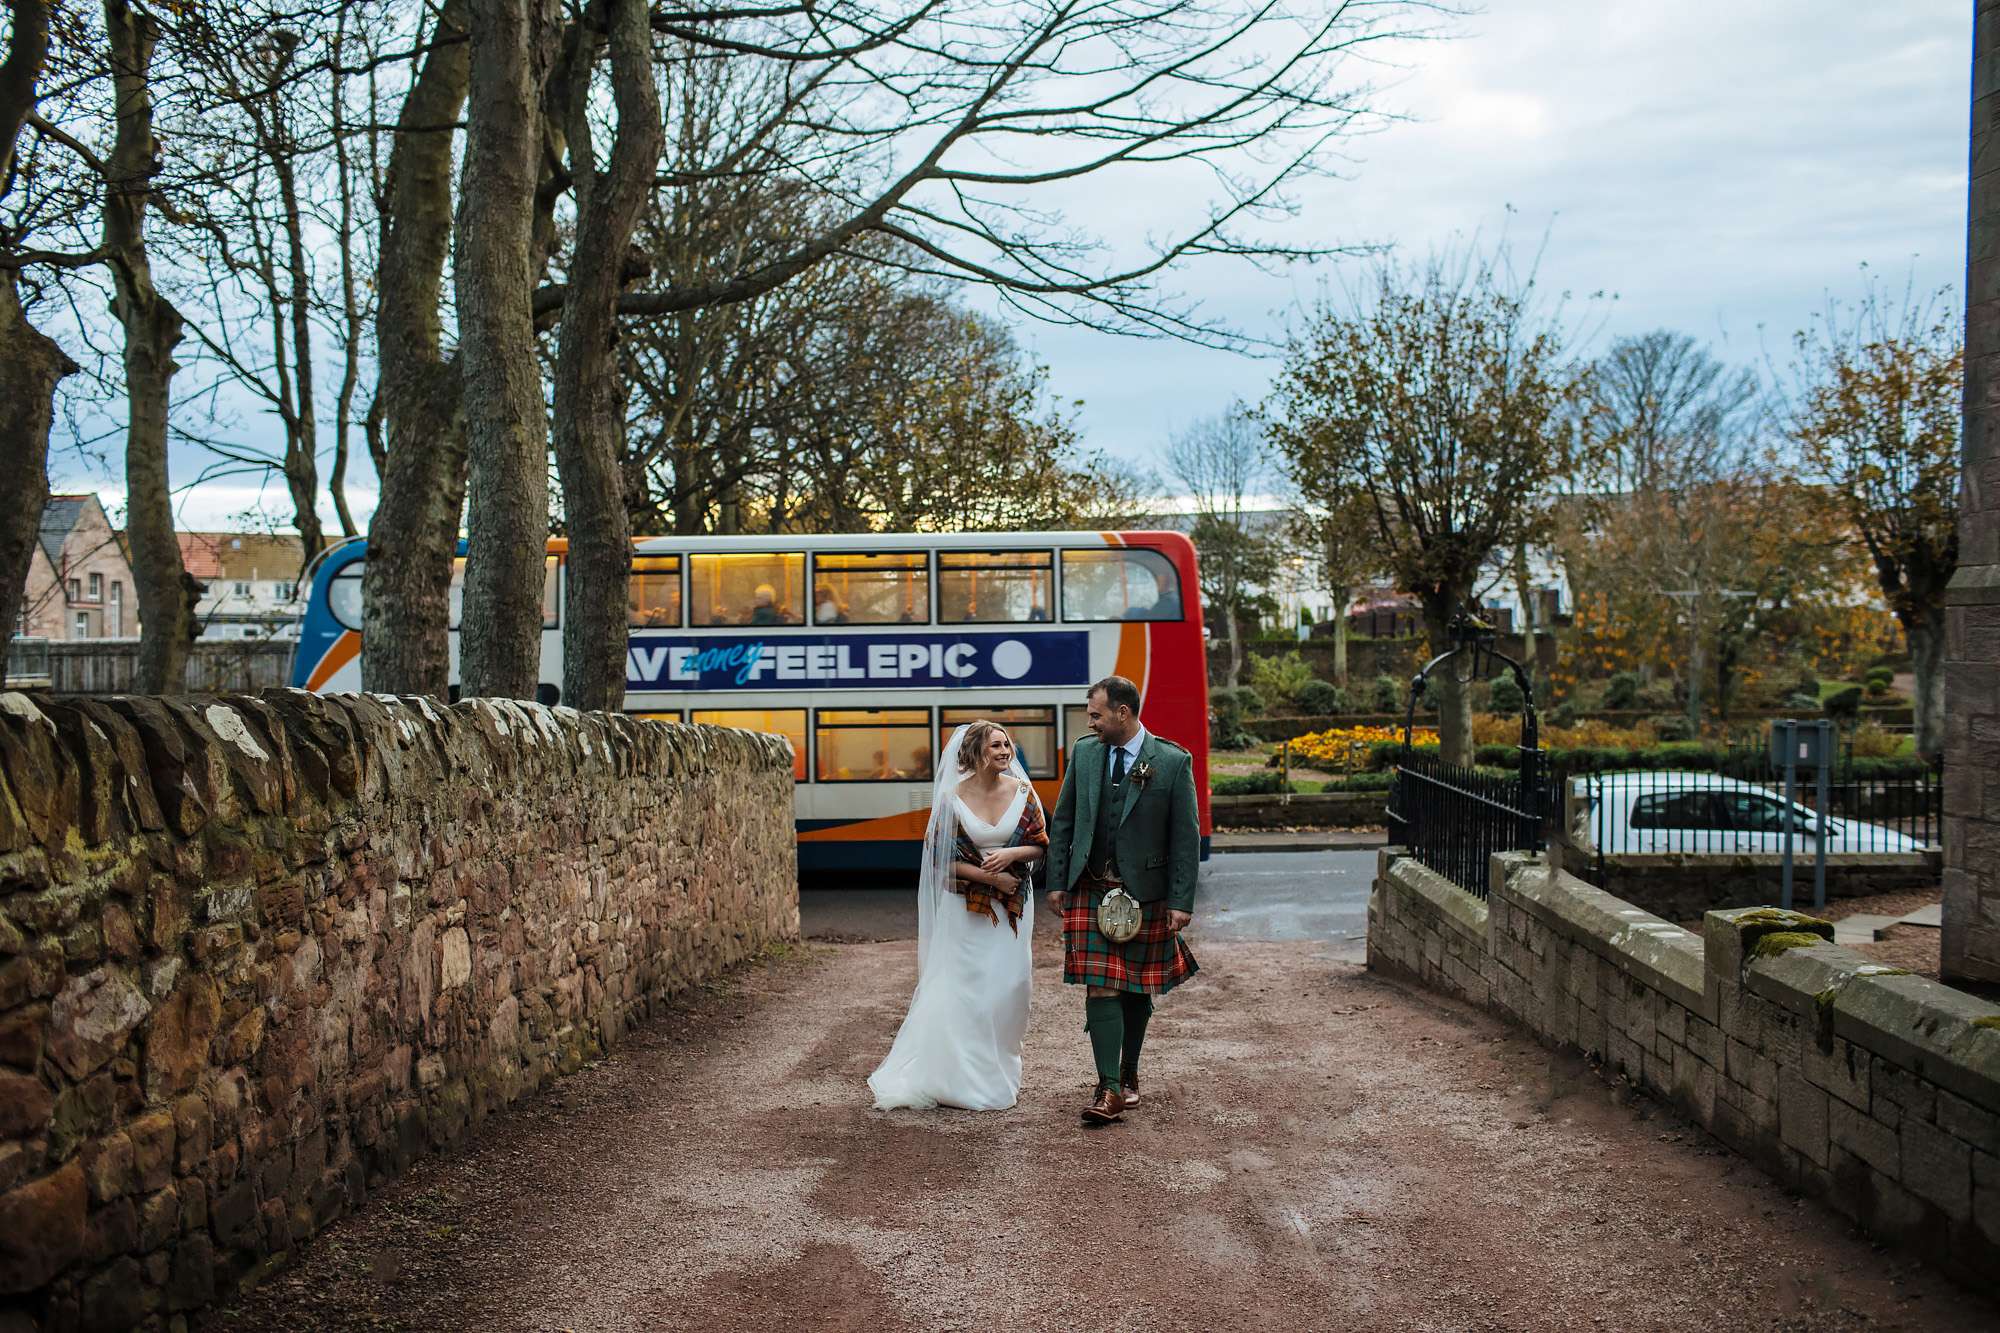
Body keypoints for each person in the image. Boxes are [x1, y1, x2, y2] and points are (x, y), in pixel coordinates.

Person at [1044, 674, 1199, 1126]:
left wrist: (1180, 899)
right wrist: (1057, 880)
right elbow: (1066, 818)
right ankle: (1108, 1087)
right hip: (1091, 888)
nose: (1090, 723)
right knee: (1102, 982)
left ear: (1122, 713)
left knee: (1136, 987)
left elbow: (1185, 838)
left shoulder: (1171, 762)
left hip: (1145, 894)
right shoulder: (1085, 754)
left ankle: (1129, 1072)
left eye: (1096, 715)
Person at [868, 722, 1046, 1111]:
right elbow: (939, 863)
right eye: (996, 745)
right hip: (966, 909)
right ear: (978, 753)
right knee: (966, 989)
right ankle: (963, 1079)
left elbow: (1038, 845)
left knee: (1011, 987)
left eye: (1007, 744)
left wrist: (1012, 857)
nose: (1005, 751)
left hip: (1014, 908)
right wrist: (988, 877)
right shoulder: (951, 799)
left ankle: (1002, 1067)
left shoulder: (1023, 792)